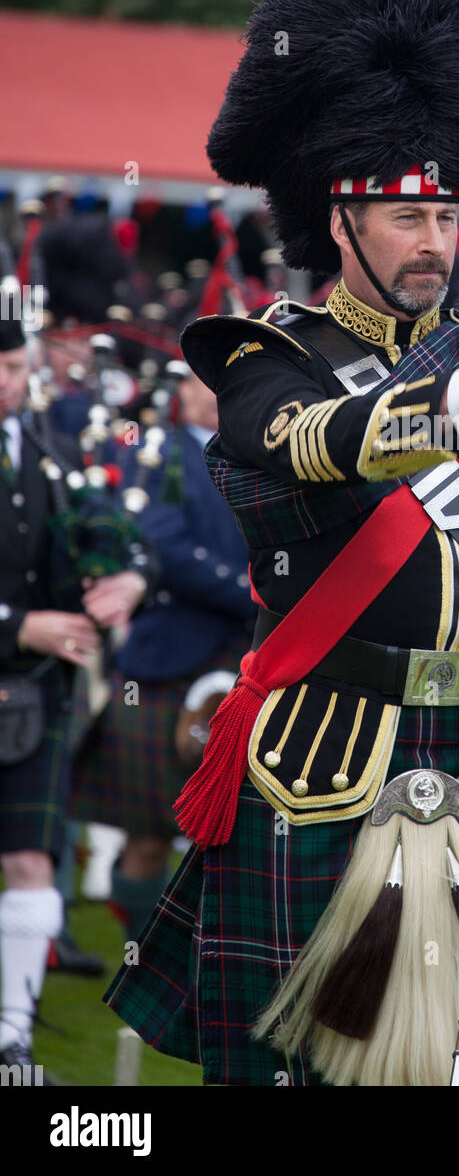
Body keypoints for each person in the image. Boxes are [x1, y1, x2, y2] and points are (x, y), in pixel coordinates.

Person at [105, 0, 459, 1087]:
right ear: (340, 222)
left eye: (448, 217)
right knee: (313, 1072)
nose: (437, 243)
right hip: (323, 756)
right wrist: (451, 408)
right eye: (406, 218)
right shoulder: (262, 354)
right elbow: (300, 443)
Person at [0, 318, 152, 1076]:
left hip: (31, 698)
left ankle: (10, 1041)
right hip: (23, 659)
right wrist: (20, 625)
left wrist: (129, 575)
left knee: (30, 862)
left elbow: (108, 530)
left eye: (16, 368)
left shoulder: (45, 454)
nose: (8, 383)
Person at [70, 368, 256, 942]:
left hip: (254, 662)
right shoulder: (158, 453)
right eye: (205, 384)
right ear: (183, 390)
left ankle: (215, 954)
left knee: (244, 831)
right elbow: (163, 547)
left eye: (229, 386)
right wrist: (254, 591)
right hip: (168, 660)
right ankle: (141, 953)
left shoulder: (263, 457)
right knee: (150, 831)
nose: (215, 398)